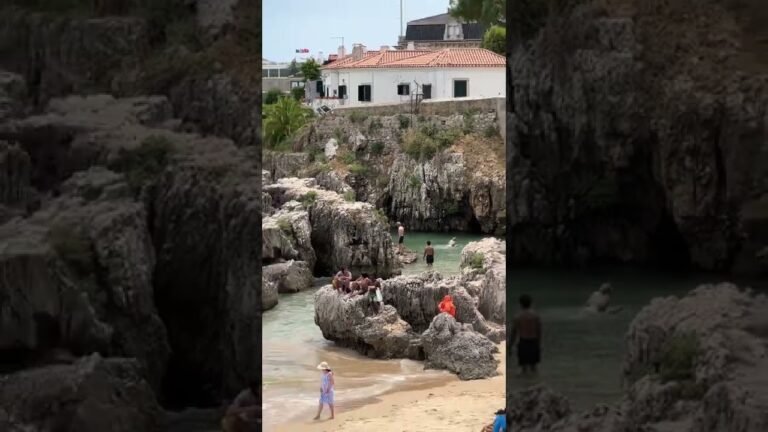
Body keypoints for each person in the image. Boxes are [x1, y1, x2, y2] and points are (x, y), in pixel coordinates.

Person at [511, 294, 541, 375]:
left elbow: (514, 333)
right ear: (531, 303)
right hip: (534, 342)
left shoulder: (518, 317)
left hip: (523, 342)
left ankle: (524, 384)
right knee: (534, 368)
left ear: (520, 304)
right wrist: (538, 344)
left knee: (523, 368)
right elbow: (539, 331)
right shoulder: (535, 316)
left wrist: (509, 346)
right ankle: (534, 382)